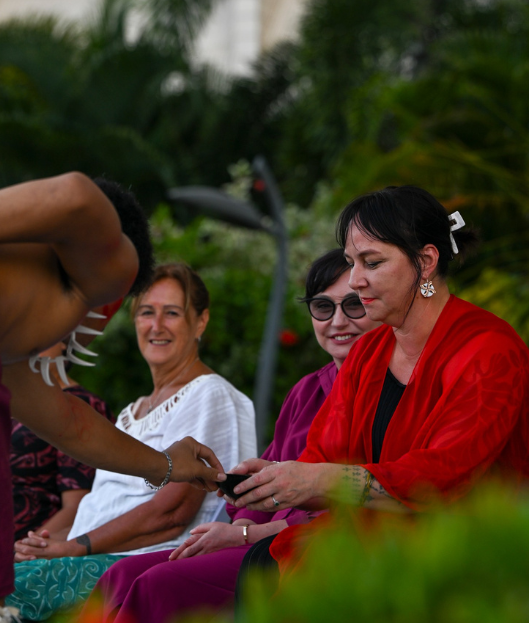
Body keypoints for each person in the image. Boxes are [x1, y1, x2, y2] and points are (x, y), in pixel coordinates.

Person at [223, 186, 529, 597]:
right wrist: (276, 481)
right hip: (383, 547)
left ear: (425, 262)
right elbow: (325, 456)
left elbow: (442, 478)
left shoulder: (490, 352)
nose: (355, 281)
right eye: (353, 263)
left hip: (469, 559)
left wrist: (320, 480)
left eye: (371, 263)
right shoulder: (370, 350)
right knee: (266, 563)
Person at [91, 249, 379, 623]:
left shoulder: (385, 390)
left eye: (354, 306)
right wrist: (241, 518)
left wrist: (242, 535)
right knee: (119, 577)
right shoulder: (307, 390)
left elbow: (357, 506)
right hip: (261, 536)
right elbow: (263, 478)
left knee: (157, 583)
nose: (338, 320)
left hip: (316, 546)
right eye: (323, 308)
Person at [0, 174, 230, 618]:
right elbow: (76, 194)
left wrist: (167, 464)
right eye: (144, 309)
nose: (152, 324)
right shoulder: (114, 267)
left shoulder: (11, 357)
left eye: (171, 313)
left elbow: (70, 423)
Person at [12, 339, 112, 542]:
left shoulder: (81, 407)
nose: (31, 346)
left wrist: (19, 552)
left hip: (33, 550)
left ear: (65, 339)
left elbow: (78, 506)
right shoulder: (12, 405)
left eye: (40, 334)